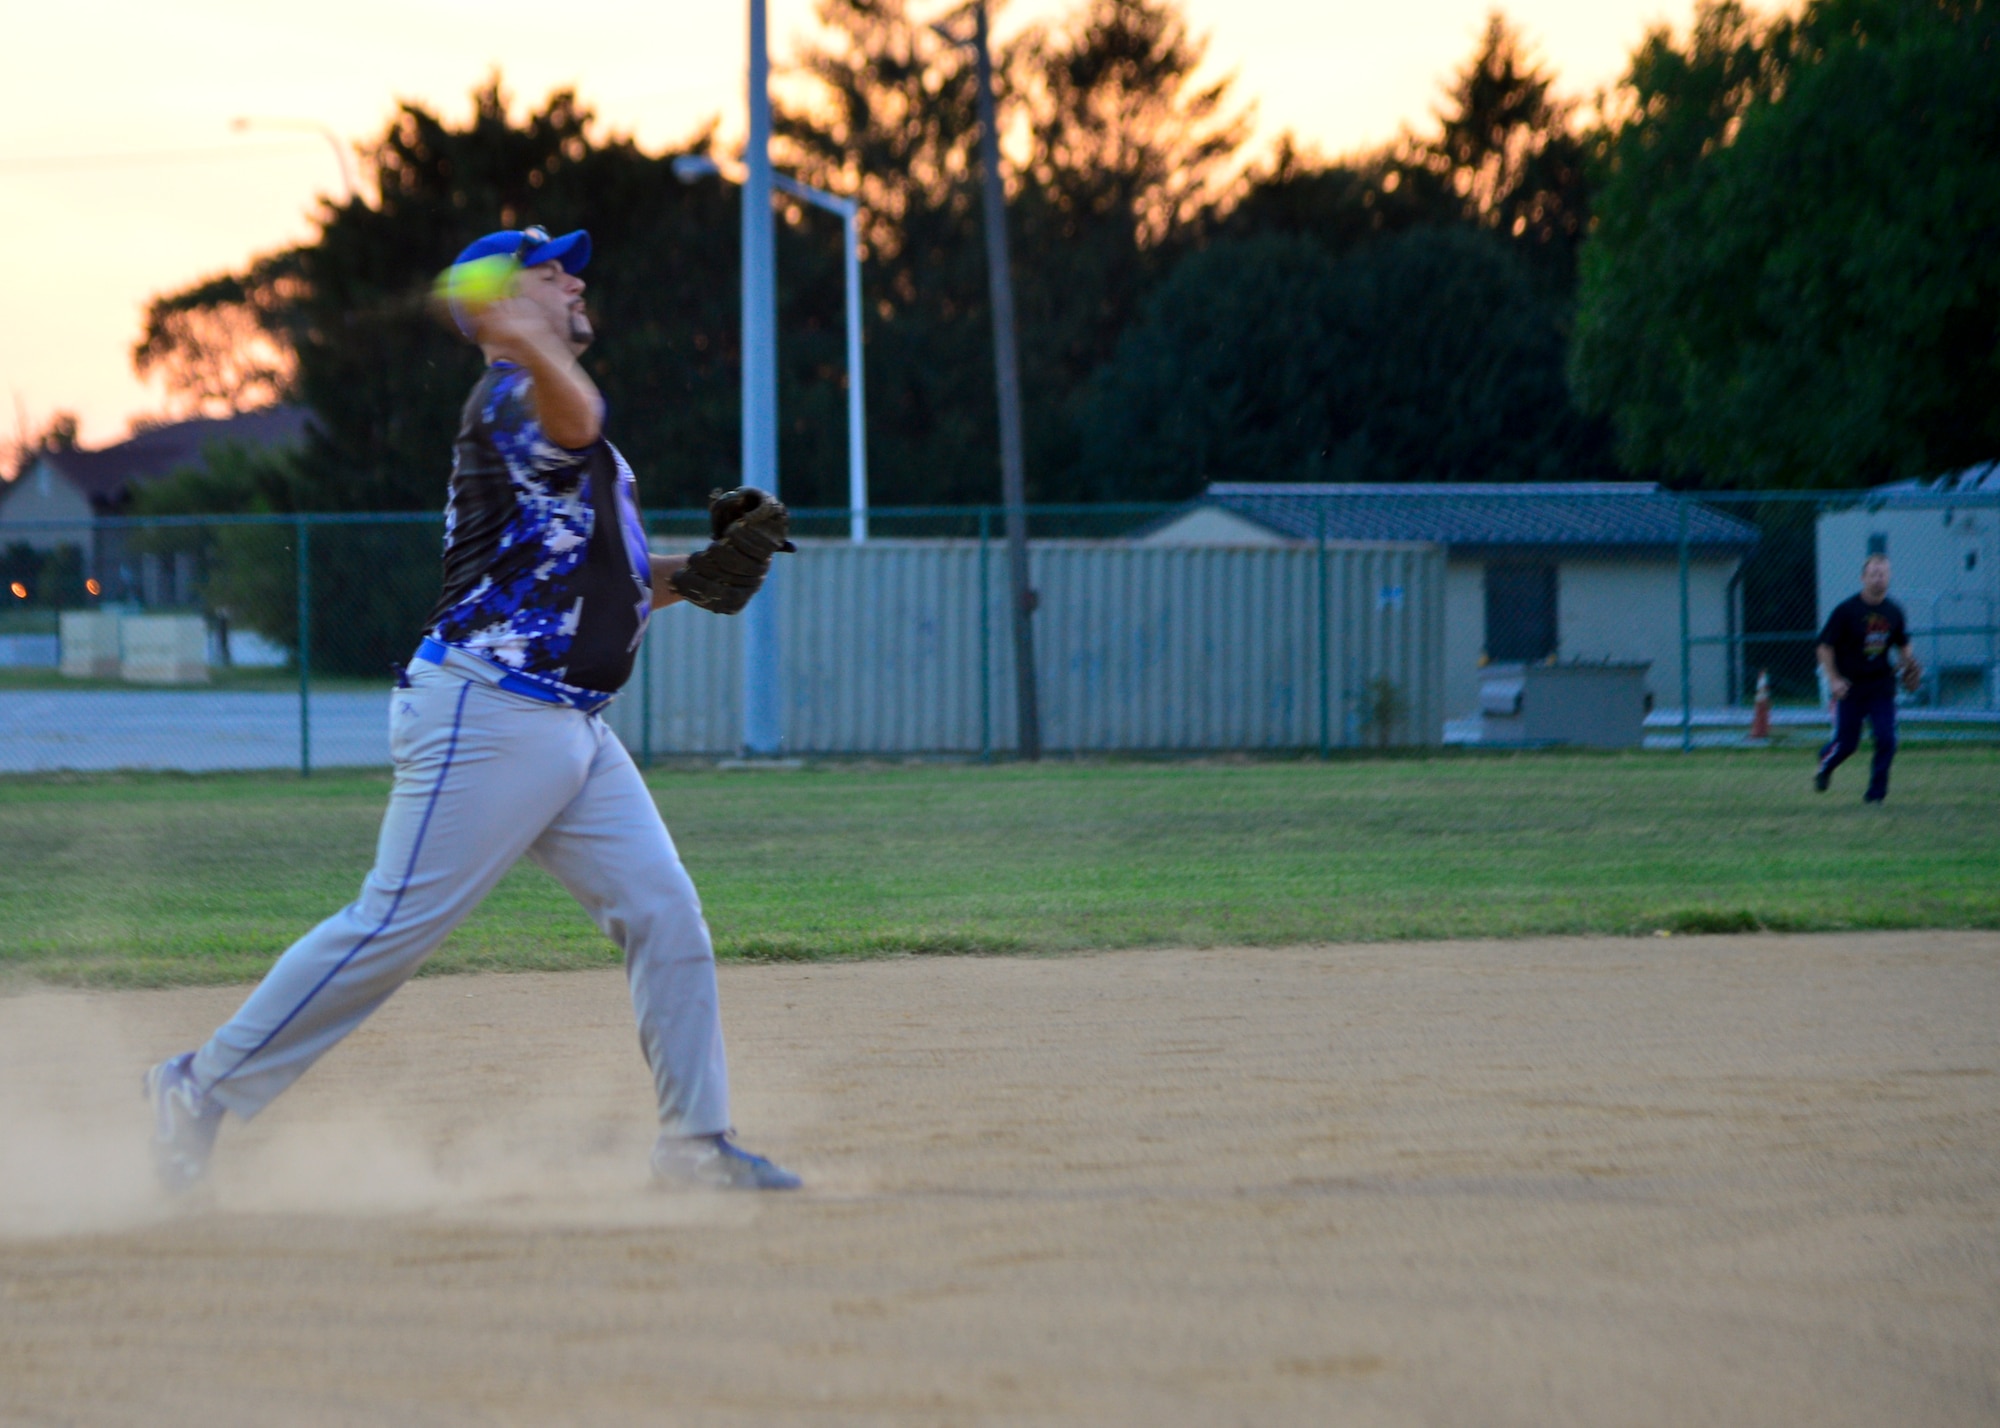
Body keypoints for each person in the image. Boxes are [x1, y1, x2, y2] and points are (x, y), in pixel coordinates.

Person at [144, 225, 802, 1193]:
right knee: (391, 926)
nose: (576, 277)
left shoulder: (553, 414)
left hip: (568, 721)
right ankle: (197, 1087)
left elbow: (596, 579)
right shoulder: (510, 395)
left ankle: (692, 1146)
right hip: (487, 709)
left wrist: (690, 577)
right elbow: (573, 414)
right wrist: (515, 332)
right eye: (550, 270)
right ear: (500, 301)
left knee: (664, 913)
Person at [1814, 552, 1922, 802]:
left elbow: (1903, 643)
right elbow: (1824, 646)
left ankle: (1876, 795)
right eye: (1873, 573)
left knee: (1887, 739)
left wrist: (1908, 663)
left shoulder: (1894, 611)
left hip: (1880, 685)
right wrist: (1834, 679)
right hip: (1850, 686)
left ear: (1889, 577)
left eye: (1883, 573)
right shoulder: (1847, 610)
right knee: (1847, 744)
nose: (1878, 578)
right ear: (1863, 578)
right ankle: (1826, 763)